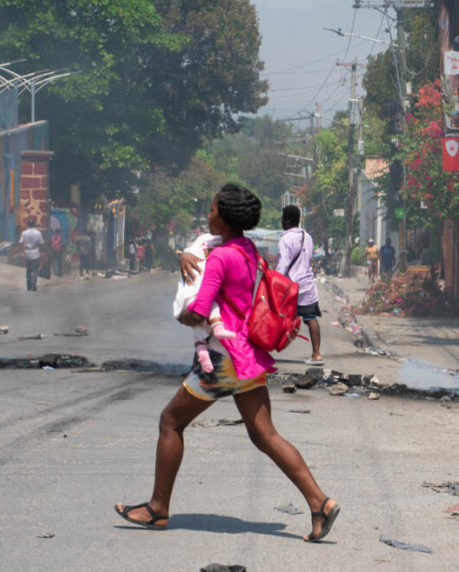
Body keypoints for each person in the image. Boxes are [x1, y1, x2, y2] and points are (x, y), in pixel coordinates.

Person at [115, 184, 339, 542]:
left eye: (212, 210)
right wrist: (182, 256)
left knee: (170, 422)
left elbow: (201, 309)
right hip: (247, 354)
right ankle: (320, 503)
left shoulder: (220, 258)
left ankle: (158, 508)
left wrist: (183, 315)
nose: (208, 215)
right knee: (265, 435)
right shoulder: (247, 250)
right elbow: (201, 249)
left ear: (226, 216)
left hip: (222, 359)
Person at [172, 233, 237, 373]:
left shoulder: (234, 248)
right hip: (208, 307)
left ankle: (203, 371)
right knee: (202, 331)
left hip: (225, 311)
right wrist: (186, 256)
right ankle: (200, 369)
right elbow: (191, 254)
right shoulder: (205, 246)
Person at [278, 205, 325, 366]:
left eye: (283, 218)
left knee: (277, 317)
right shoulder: (308, 237)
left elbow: (283, 264)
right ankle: (316, 355)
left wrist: (275, 280)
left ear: (286, 220)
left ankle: (265, 350)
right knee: (311, 318)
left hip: (290, 286)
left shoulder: (285, 239)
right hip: (307, 285)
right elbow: (309, 258)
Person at [15, 217, 45, 292]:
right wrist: (47, 251)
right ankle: (33, 282)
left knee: (28, 270)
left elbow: (20, 243)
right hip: (36, 254)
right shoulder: (38, 233)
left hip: (27, 254)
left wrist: (15, 252)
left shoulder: (24, 233)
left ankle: (28, 285)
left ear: (28, 225)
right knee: (35, 270)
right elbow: (42, 244)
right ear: (34, 225)